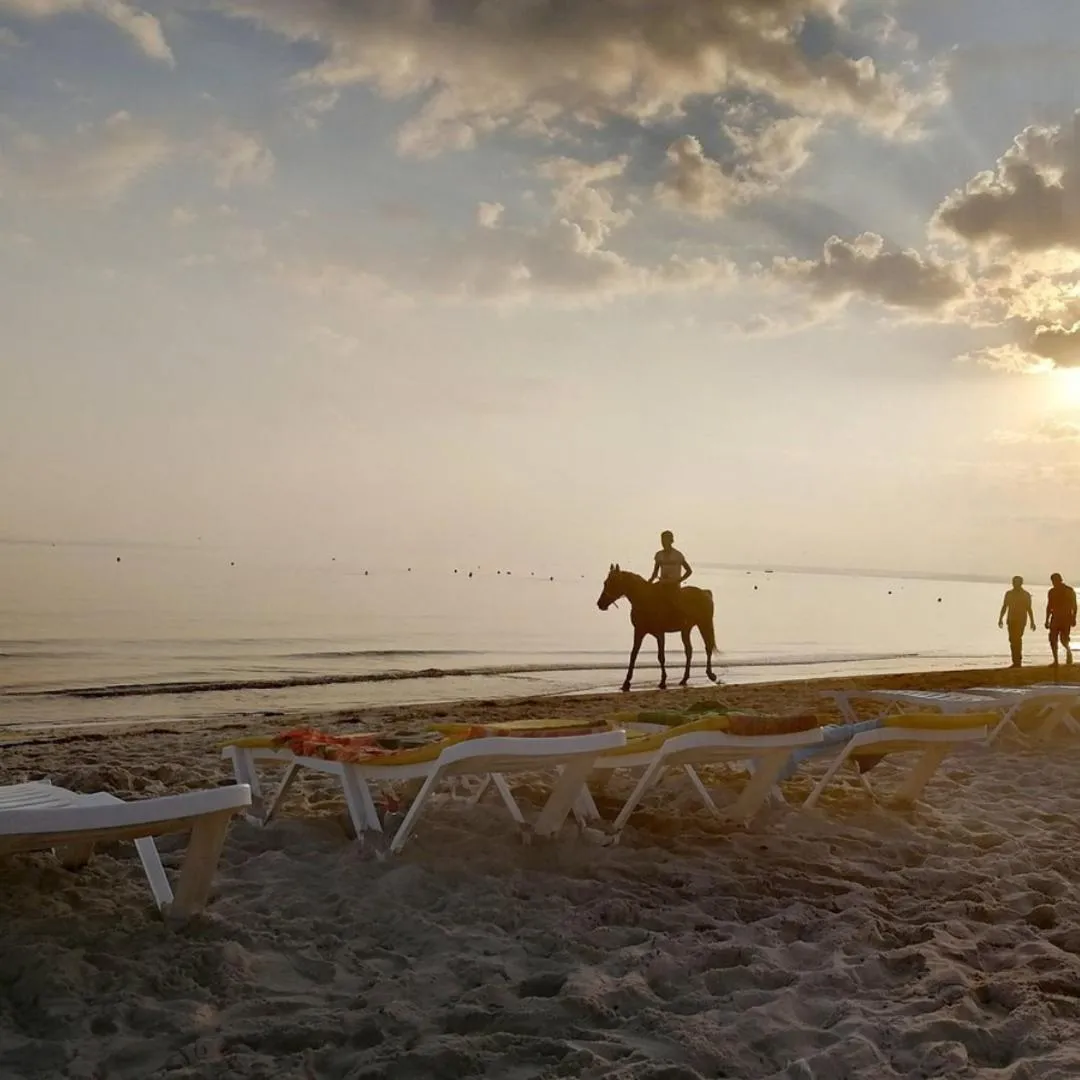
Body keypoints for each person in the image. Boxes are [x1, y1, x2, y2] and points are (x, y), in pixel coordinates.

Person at [648, 530, 692, 619]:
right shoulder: (659, 555)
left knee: (673, 604)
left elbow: (689, 571)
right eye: (662, 540)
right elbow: (655, 572)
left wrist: (679, 580)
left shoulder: (678, 555)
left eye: (666, 540)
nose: (663, 543)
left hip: (673, 586)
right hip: (662, 584)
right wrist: (649, 582)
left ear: (671, 541)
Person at [998, 576, 1036, 668]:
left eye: (1016, 582)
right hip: (1011, 620)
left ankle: (1017, 661)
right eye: (1014, 582)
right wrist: (1000, 619)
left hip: (1021, 620)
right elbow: (1005, 606)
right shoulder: (1009, 594)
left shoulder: (1025, 594)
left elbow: (1029, 608)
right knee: (1012, 640)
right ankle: (1015, 660)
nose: (1014, 584)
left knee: (1017, 639)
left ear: (1021, 583)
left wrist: (1032, 622)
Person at [1046, 572, 1077, 666]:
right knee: (1052, 639)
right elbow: (1049, 606)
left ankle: (1068, 652)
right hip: (1055, 618)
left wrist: (1074, 617)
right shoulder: (1051, 592)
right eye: (1053, 581)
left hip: (1066, 618)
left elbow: (1074, 605)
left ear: (1060, 580)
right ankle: (1056, 660)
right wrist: (1047, 619)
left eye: (1055, 581)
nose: (1054, 583)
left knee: (1064, 639)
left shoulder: (1069, 590)